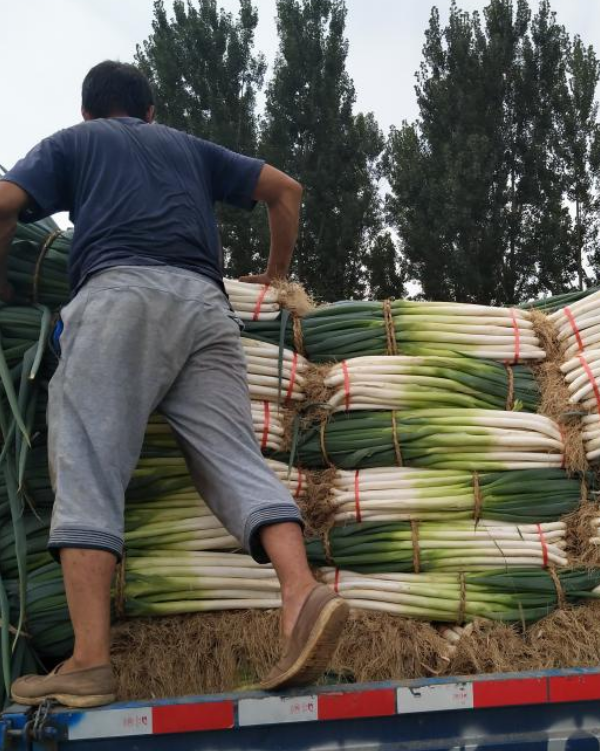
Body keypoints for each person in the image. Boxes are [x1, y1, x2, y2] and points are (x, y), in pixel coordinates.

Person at [0, 60, 347, 708]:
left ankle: (88, 660)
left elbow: (4, 206)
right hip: (205, 309)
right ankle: (301, 593)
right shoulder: (188, 147)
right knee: (235, 460)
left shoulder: (78, 142)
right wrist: (275, 274)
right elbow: (287, 190)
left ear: (87, 112)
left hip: (119, 297)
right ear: (151, 113)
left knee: (88, 459)